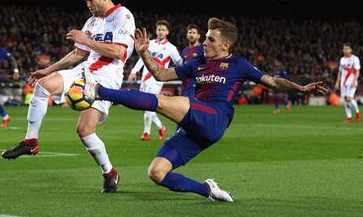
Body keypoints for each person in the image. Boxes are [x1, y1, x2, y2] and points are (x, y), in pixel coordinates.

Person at [73, 17, 327, 202]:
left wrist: (301, 89)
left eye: (210, 39)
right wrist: (144, 54)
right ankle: (208, 190)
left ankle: (98, 91)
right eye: (205, 37)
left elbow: (273, 82)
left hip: (215, 118)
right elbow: (161, 73)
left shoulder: (239, 64)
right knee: (157, 173)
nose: (204, 42)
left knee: (161, 100)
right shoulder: (198, 64)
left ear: (225, 45)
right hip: (194, 124)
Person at [2, 0, 136, 194]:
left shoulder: (123, 16)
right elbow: (78, 54)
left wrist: (88, 41)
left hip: (106, 77)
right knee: (43, 85)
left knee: (84, 130)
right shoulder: (91, 22)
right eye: (85, 1)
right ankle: (30, 141)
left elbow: (119, 52)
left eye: (90, 0)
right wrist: (47, 70)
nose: (88, 5)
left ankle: (110, 173)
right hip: (83, 70)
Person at [128, 20, 182, 141]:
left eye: (163, 30)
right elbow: (142, 59)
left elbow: (179, 62)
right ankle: (161, 127)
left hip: (157, 79)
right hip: (145, 78)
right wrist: (133, 71)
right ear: (156, 31)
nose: (161, 32)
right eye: (159, 29)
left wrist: (178, 72)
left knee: (148, 104)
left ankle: (146, 133)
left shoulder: (171, 48)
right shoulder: (149, 43)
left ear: (167, 32)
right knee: (146, 105)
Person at [334, 43, 360, 124]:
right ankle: (349, 118)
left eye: (347, 49)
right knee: (345, 100)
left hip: (352, 82)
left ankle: (357, 113)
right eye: (344, 49)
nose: (345, 50)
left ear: (351, 50)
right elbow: (340, 72)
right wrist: (337, 82)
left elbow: (357, 71)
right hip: (343, 83)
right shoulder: (342, 59)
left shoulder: (355, 59)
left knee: (349, 98)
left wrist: (354, 81)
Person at [180, 24, 204, 97]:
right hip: (185, 84)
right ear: (187, 35)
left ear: (198, 36)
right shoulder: (185, 50)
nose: (191, 35)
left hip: (197, 85)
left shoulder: (203, 49)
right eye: (190, 32)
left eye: (194, 33)